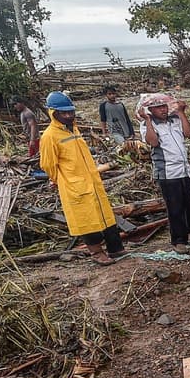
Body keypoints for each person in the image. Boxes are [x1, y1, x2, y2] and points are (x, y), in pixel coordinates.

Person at [40, 92, 123, 265]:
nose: (69, 116)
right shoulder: (50, 136)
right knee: (87, 221)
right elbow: (48, 164)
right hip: (74, 185)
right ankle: (97, 253)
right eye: (64, 113)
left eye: (71, 112)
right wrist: (60, 180)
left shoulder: (74, 129)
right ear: (53, 113)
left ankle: (116, 249)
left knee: (105, 216)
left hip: (92, 181)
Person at [138, 93, 190, 252]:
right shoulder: (147, 125)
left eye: (164, 106)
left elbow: (189, 134)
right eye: (158, 107)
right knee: (175, 207)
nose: (162, 110)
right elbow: (153, 142)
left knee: (189, 204)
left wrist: (181, 112)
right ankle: (178, 240)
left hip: (184, 169)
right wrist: (147, 120)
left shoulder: (174, 120)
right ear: (151, 110)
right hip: (168, 172)